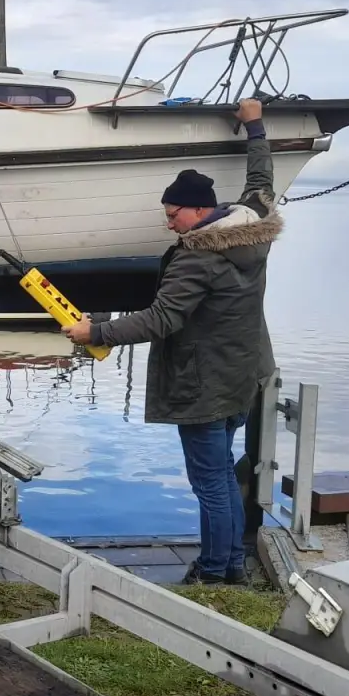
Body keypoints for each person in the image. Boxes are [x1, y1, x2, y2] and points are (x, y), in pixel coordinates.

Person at [63, 98, 280, 584]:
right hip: (238, 379)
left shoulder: (197, 258)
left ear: (201, 210)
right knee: (221, 477)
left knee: (211, 484)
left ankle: (216, 570)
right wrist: (255, 127)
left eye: (173, 214)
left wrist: (95, 332)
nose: (168, 224)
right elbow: (261, 183)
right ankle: (226, 568)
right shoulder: (251, 228)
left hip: (201, 387)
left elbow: (161, 319)